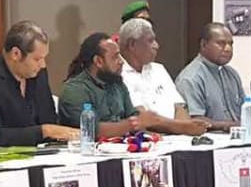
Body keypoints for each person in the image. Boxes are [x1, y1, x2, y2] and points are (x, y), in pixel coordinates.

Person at [58, 33, 205, 137]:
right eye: (115, 57)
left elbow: (133, 115)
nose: (121, 61)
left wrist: (149, 137)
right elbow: (90, 131)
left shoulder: (117, 83)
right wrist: (133, 124)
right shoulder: (75, 90)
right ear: (98, 61)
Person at [0, 20, 78, 148]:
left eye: (44, 58)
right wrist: (44, 131)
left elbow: (49, 118)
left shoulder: (37, 73)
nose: (43, 65)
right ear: (16, 54)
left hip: (41, 156)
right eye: (37, 59)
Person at [118, 18, 197, 125]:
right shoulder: (118, 73)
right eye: (150, 41)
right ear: (132, 44)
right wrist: (182, 128)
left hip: (177, 136)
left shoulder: (158, 69)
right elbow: (142, 117)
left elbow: (179, 106)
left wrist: (185, 132)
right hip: (148, 137)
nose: (156, 46)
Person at [175, 23, 246, 131]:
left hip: (239, 138)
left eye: (230, 44)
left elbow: (245, 108)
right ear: (203, 44)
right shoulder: (191, 78)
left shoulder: (232, 74)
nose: (228, 48)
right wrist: (230, 125)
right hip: (207, 141)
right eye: (221, 43)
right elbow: (195, 120)